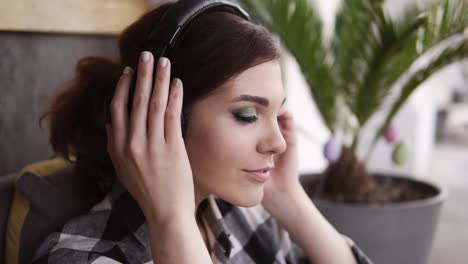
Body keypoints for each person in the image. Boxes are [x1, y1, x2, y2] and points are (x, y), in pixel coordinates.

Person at [33, 1, 373, 263]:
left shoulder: (244, 218)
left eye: (277, 112)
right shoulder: (81, 257)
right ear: (162, 117)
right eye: (247, 114)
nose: (279, 143)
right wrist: (171, 219)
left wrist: (289, 199)